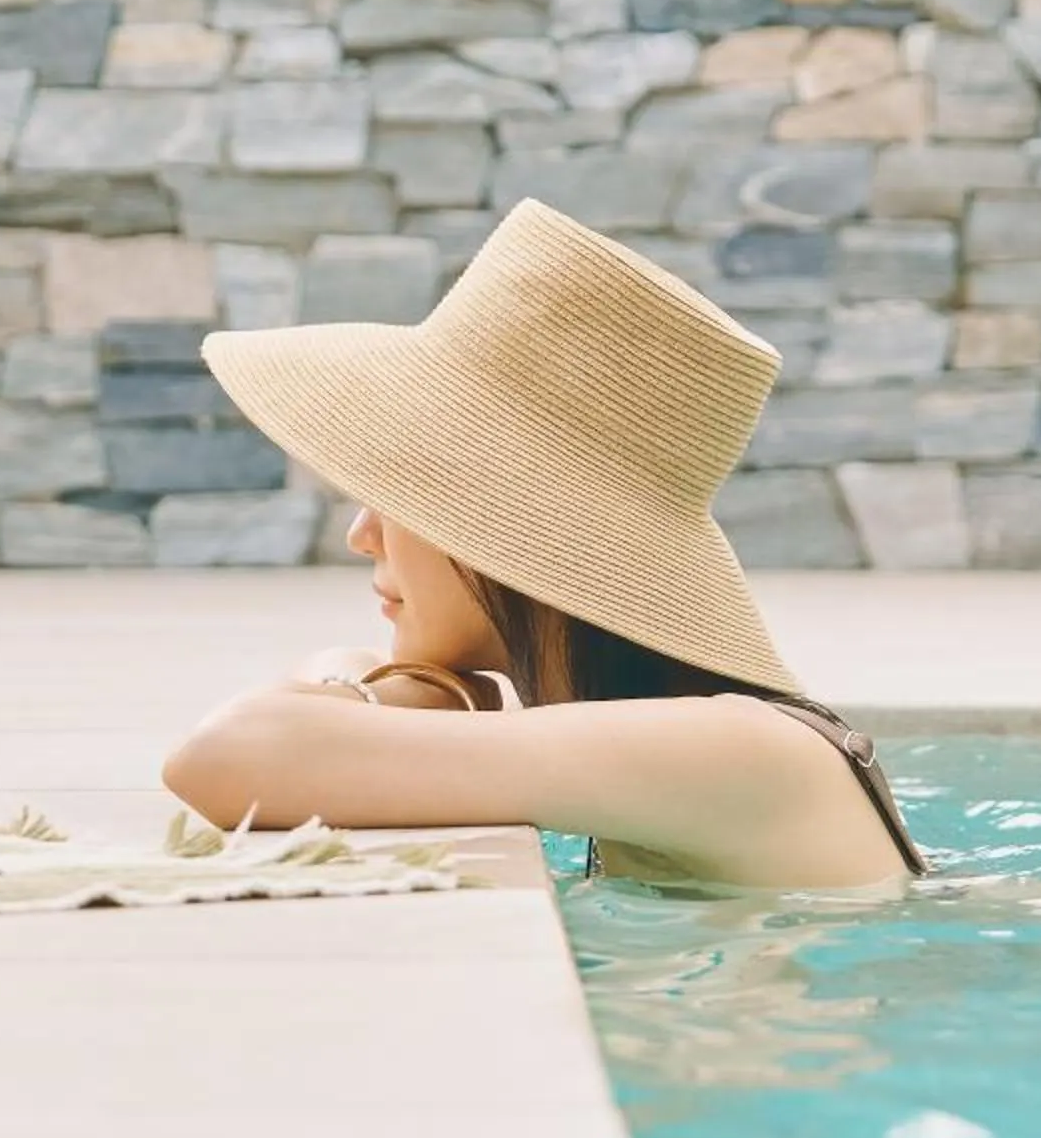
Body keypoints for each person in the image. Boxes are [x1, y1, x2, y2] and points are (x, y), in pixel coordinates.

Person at [161, 198, 931, 892]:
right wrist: (429, 686)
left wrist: (414, 692)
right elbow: (314, 687)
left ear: (500, 523)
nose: (362, 533)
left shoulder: (745, 752)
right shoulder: (684, 735)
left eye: (399, 492)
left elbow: (228, 757)